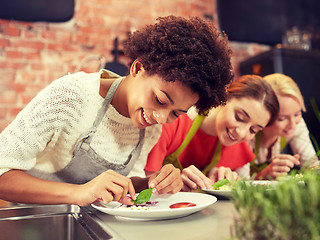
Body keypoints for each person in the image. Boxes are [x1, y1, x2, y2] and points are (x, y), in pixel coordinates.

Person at [0, 16, 233, 206]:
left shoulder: (150, 127)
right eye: (160, 100)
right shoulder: (72, 96)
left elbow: (127, 183)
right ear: (138, 67)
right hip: (33, 220)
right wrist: (79, 193)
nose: (161, 117)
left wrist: (152, 182)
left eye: (176, 113)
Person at [145, 75, 279, 191]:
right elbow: (143, 182)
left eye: (253, 130)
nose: (241, 133)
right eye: (239, 117)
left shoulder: (238, 146)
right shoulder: (173, 121)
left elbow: (242, 193)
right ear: (224, 98)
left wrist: (226, 180)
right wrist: (174, 183)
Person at [249, 73, 319, 180]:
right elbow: (236, 183)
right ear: (265, 115)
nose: (292, 125)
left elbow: (310, 166)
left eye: (297, 114)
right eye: (282, 118)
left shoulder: (297, 124)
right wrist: (265, 173)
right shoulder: (248, 131)